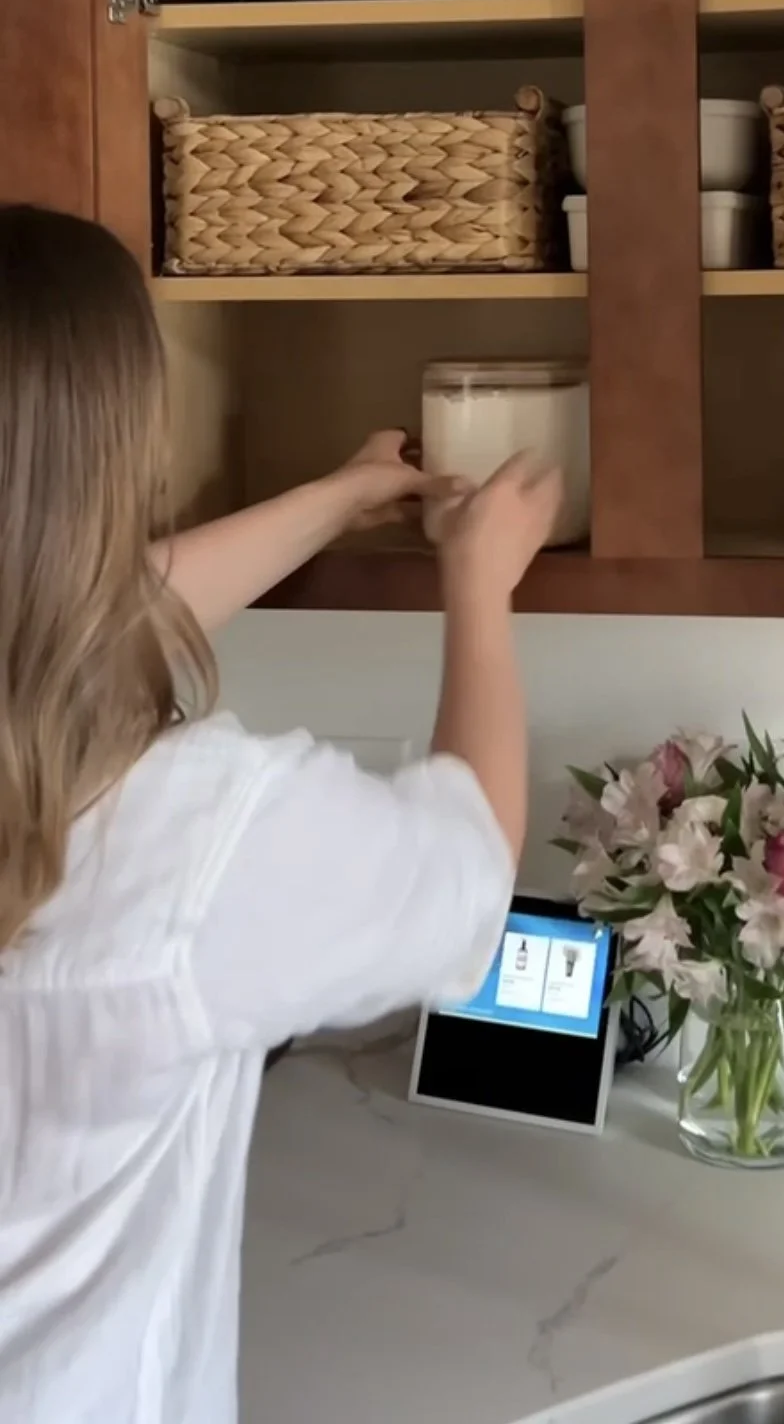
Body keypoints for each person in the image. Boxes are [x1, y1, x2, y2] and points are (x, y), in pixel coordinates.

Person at [0, 203, 562, 1424]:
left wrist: (339, 495)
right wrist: (479, 585)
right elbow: (469, 875)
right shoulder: (199, 840)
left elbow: (61, 619)